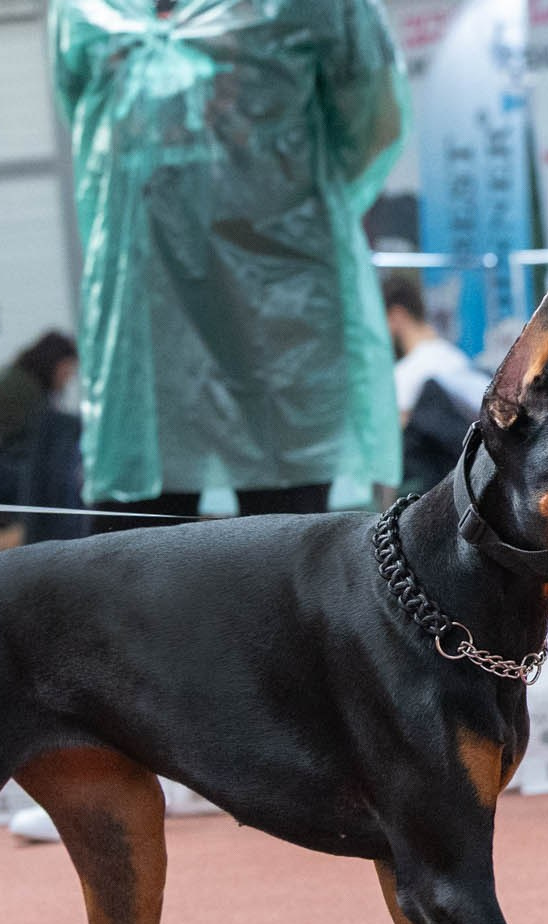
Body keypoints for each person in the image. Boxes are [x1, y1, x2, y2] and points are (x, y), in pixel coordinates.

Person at [52, 0, 409, 531]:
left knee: (275, 550)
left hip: (277, 303)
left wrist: (271, 206)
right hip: (148, 317)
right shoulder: (86, 10)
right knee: (132, 564)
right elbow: (87, 120)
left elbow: (373, 119)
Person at [0, 330, 85, 546]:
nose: (69, 378)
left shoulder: (19, 378)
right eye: (69, 370)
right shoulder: (26, 391)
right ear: (57, 364)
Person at [383, 276, 486, 496]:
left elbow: (396, 457)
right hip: (472, 481)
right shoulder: (454, 357)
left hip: (431, 492)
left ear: (396, 315)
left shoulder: (406, 374)